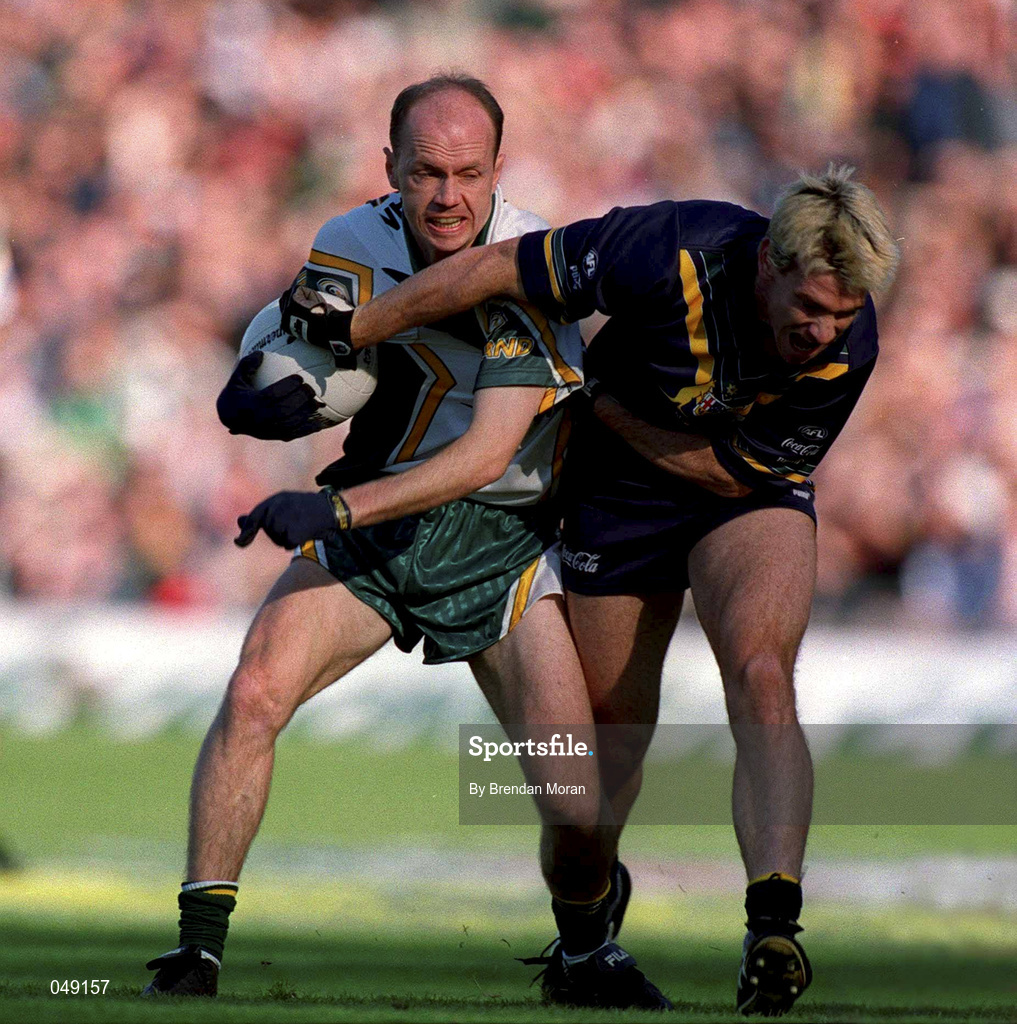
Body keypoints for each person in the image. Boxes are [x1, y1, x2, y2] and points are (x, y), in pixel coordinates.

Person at [316, 165, 899, 1016]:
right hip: (615, 498)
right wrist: (358, 327)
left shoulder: (852, 344)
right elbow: (498, 267)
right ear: (768, 267)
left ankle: (773, 922)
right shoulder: (667, 248)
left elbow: (732, 475)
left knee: (762, 671)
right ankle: (585, 923)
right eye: (809, 310)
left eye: (840, 317)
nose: (821, 333)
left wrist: (606, 403)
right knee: (602, 753)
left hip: (739, 493)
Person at [142, 75, 671, 1011]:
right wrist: (251, 392)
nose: (446, 195)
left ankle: (585, 952)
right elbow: (290, 338)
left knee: (576, 813)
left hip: (501, 539)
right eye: (425, 171)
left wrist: (336, 512)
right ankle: (197, 950)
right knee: (256, 686)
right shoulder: (349, 243)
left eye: (467, 173)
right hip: (380, 519)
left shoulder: (530, 260)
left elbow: (483, 457)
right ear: (388, 165)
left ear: (497, 171)